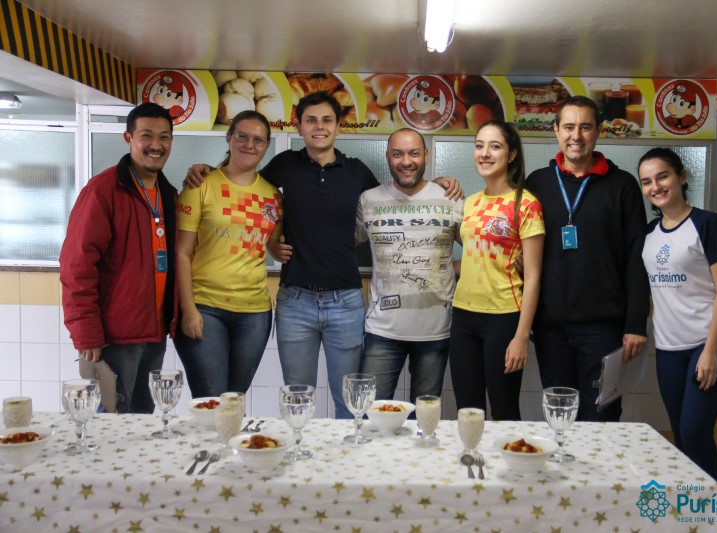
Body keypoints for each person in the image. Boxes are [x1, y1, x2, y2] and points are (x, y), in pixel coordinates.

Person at [185, 91, 461, 418]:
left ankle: (346, 453)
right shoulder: (284, 165)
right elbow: (246, 185)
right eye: (311, 120)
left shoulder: (357, 172)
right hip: (295, 301)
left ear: (338, 126)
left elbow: (395, 199)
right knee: (297, 398)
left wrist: (436, 185)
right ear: (299, 126)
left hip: (346, 303)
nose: (319, 126)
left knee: (350, 403)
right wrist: (209, 171)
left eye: (327, 120)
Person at [524, 95, 650, 422]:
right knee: (560, 416)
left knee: (602, 417)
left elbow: (637, 258)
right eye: (568, 127)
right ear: (556, 130)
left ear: (598, 131)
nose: (576, 136)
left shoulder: (622, 186)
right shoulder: (537, 184)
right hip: (550, 327)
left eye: (585, 127)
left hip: (604, 328)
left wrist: (635, 323)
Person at [60, 102, 179, 414]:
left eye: (164, 137)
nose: (156, 145)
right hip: (114, 337)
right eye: (146, 135)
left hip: (154, 332)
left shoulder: (168, 194)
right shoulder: (104, 191)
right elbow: (76, 266)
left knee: (142, 419)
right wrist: (85, 332)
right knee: (110, 421)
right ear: (129, 138)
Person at [638, 148, 717, 482]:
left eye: (663, 176)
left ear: (681, 177)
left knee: (695, 431)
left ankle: (710, 510)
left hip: (712, 344)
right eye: (647, 182)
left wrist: (711, 351)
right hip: (670, 348)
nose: (655, 186)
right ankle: (689, 507)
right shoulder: (649, 233)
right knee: (681, 436)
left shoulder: (708, 224)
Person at [174, 110, 283, 397]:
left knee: (233, 400)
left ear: (267, 145)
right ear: (229, 138)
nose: (249, 144)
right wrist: (187, 309)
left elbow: (269, 242)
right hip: (205, 307)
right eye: (242, 136)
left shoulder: (273, 195)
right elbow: (181, 253)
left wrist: (279, 249)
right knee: (210, 400)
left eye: (258, 140)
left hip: (255, 313)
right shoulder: (201, 184)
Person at [357, 128, 463, 404]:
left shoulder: (450, 199)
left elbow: (479, 252)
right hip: (382, 331)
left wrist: (447, 269)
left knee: (424, 418)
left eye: (414, 153)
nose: (406, 161)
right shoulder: (368, 200)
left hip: (435, 331)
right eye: (398, 154)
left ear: (426, 155)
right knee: (372, 414)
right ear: (388, 157)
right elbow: (338, 244)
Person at [449, 120, 545, 421]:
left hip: (504, 318)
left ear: (511, 154)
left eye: (495, 146)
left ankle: (510, 455)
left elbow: (533, 277)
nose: (485, 153)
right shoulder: (470, 203)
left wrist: (521, 336)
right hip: (463, 316)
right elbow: (474, 256)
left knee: (504, 410)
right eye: (479, 146)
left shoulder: (527, 204)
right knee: (467, 410)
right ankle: (472, 454)